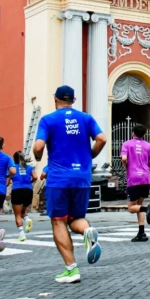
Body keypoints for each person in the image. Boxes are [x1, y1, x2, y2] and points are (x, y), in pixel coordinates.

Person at [33, 85, 107, 283]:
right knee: (76, 218)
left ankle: (71, 269)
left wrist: (38, 155)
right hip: (82, 177)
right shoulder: (86, 118)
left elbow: (38, 146)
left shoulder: (48, 120)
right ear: (74, 100)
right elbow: (102, 138)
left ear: (55, 98)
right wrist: (90, 155)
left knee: (58, 221)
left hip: (59, 178)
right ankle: (87, 231)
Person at [120, 123, 150, 242]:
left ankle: (148, 209)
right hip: (145, 178)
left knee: (131, 208)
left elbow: (124, 158)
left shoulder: (127, 144)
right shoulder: (149, 146)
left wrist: (127, 167)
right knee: (138, 206)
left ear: (133, 133)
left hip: (134, 177)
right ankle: (142, 233)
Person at [10, 151, 37, 242]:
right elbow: (35, 177)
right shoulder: (29, 167)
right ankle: (27, 219)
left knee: (17, 215)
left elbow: (7, 181)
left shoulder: (13, 168)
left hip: (17, 190)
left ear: (14, 159)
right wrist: (30, 182)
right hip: (28, 190)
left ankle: (22, 234)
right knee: (23, 211)